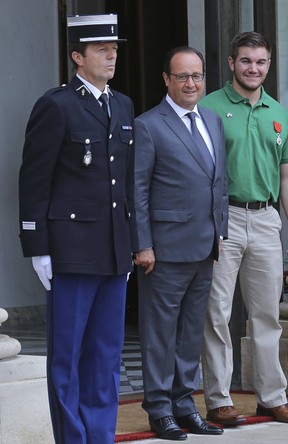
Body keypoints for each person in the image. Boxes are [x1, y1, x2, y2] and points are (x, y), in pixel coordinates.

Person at [18, 14, 134, 443]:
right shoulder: (57, 104)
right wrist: (37, 245)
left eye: (115, 49)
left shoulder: (121, 105)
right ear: (77, 56)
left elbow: (125, 181)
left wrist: (129, 244)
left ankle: (100, 436)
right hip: (70, 248)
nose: (112, 55)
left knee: (105, 357)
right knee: (67, 357)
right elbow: (34, 178)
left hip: (111, 250)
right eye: (102, 49)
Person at [199, 31, 288, 425]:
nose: (253, 68)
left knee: (267, 314)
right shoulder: (208, 107)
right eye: (246, 61)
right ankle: (218, 400)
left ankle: (271, 397)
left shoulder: (278, 113)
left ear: (269, 65)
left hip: (265, 219)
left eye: (261, 62)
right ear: (231, 64)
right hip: (222, 218)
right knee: (217, 313)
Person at [133, 46, 227, 440]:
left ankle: (184, 405)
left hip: (205, 245)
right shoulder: (148, 125)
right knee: (160, 333)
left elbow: (215, 181)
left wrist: (219, 232)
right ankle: (158, 409)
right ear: (167, 80)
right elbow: (138, 190)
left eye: (197, 76)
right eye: (183, 76)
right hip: (164, 249)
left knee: (190, 332)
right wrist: (143, 245)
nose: (191, 83)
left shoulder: (211, 119)